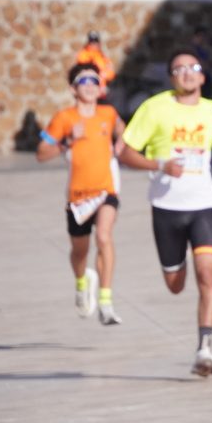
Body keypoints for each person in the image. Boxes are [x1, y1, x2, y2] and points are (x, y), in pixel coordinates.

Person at [117, 49, 212, 377]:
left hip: (204, 205)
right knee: (175, 284)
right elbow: (125, 153)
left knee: (207, 274)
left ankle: (204, 350)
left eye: (193, 67)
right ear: (171, 77)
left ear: (203, 75)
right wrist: (159, 164)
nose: (187, 73)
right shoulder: (154, 108)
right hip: (166, 208)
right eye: (179, 69)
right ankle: (178, 266)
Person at [36, 63, 126, 325]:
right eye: (83, 81)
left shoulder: (108, 113)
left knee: (104, 236)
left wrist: (120, 145)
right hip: (78, 198)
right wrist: (66, 142)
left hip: (106, 190)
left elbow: (124, 131)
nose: (90, 86)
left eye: (94, 81)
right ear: (73, 89)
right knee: (79, 252)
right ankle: (81, 282)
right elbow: (41, 153)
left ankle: (106, 303)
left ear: (100, 88)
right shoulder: (64, 118)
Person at [75, 31, 117, 97]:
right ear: (88, 43)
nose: (94, 44)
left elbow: (110, 71)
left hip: (104, 88)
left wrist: (106, 74)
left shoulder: (101, 55)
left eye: (95, 42)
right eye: (92, 42)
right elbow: (86, 72)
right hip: (93, 88)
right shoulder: (84, 55)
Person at [191, 25, 212, 99]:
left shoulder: (205, 50)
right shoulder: (191, 50)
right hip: (196, 78)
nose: (202, 38)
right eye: (200, 36)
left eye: (204, 36)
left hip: (206, 78)